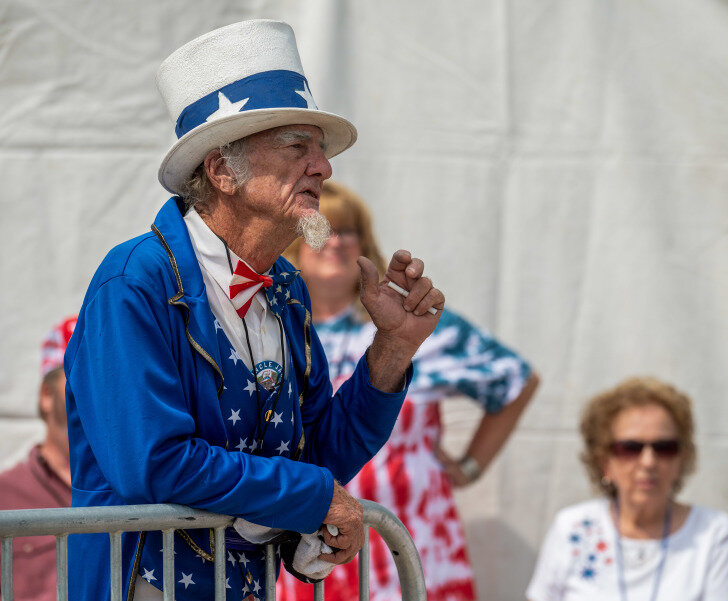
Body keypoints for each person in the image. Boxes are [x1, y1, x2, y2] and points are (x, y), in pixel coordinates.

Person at [64, 20, 445, 601]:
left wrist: (393, 349)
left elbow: (318, 454)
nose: (324, 168)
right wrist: (311, 497)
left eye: (321, 150)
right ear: (221, 171)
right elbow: (154, 463)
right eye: (299, 147)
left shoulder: (285, 288)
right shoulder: (134, 281)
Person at [279, 181, 539, 601]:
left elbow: (515, 380)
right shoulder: (275, 330)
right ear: (293, 243)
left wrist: (471, 466)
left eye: (350, 231)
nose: (337, 242)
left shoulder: (410, 326)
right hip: (309, 546)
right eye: (323, 229)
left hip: (410, 542)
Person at [525, 377, 728, 601]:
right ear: (604, 461)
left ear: (681, 459)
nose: (648, 462)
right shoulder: (573, 528)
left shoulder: (712, 532)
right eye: (630, 448)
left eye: (664, 448)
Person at [0, 315, 76, 601]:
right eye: (80, 376)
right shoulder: (5, 496)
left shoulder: (136, 490)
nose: (96, 393)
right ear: (47, 394)